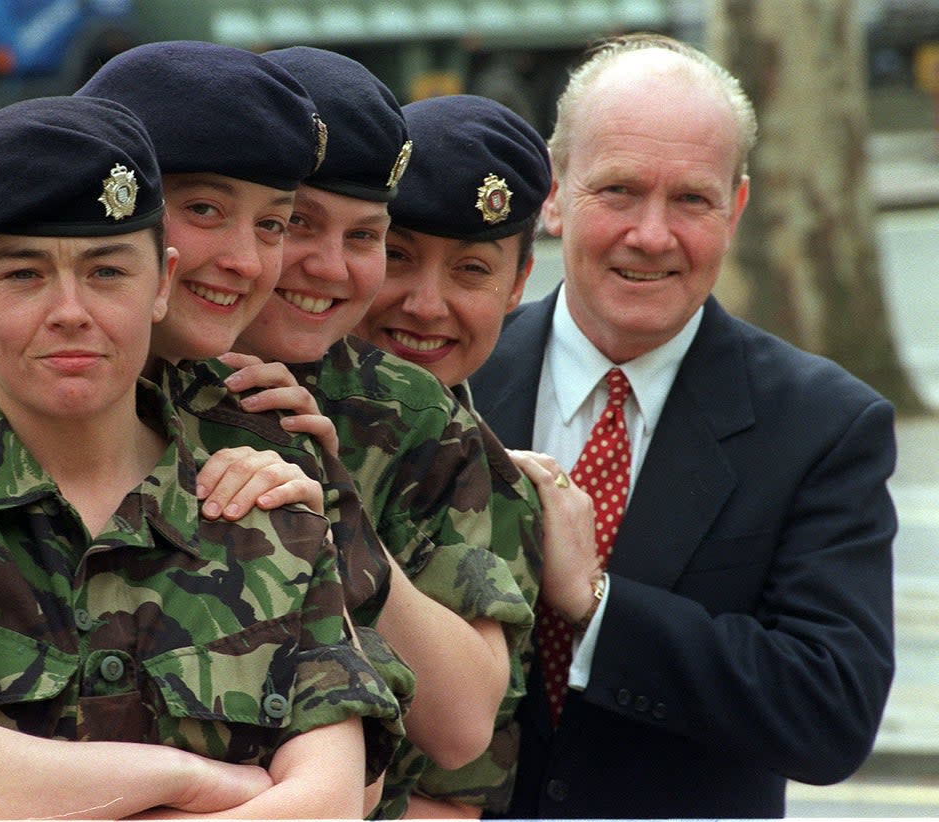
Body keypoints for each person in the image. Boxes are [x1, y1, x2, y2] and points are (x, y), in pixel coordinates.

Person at [0, 41, 404, 818]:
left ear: (154, 273)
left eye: (272, 223)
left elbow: (340, 790)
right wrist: (193, 784)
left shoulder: (260, 445)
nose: (71, 312)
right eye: (206, 210)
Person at [466, 33, 896, 818]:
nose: (652, 235)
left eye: (691, 199)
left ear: (734, 209)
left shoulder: (824, 426)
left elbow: (830, 714)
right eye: (620, 190)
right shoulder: (450, 382)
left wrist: (596, 603)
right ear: (555, 194)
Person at [217, 47, 538, 818]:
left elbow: (458, 758)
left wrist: (335, 512)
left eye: (364, 237)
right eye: (296, 224)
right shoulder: (37, 380)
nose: (328, 267)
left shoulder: (430, 433)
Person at [354, 93, 595, 818]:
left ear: (518, 286)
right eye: (397, 257)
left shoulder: (493, 491)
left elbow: (453, 797)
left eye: (470, 271)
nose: (426, 305)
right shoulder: (242, 401)